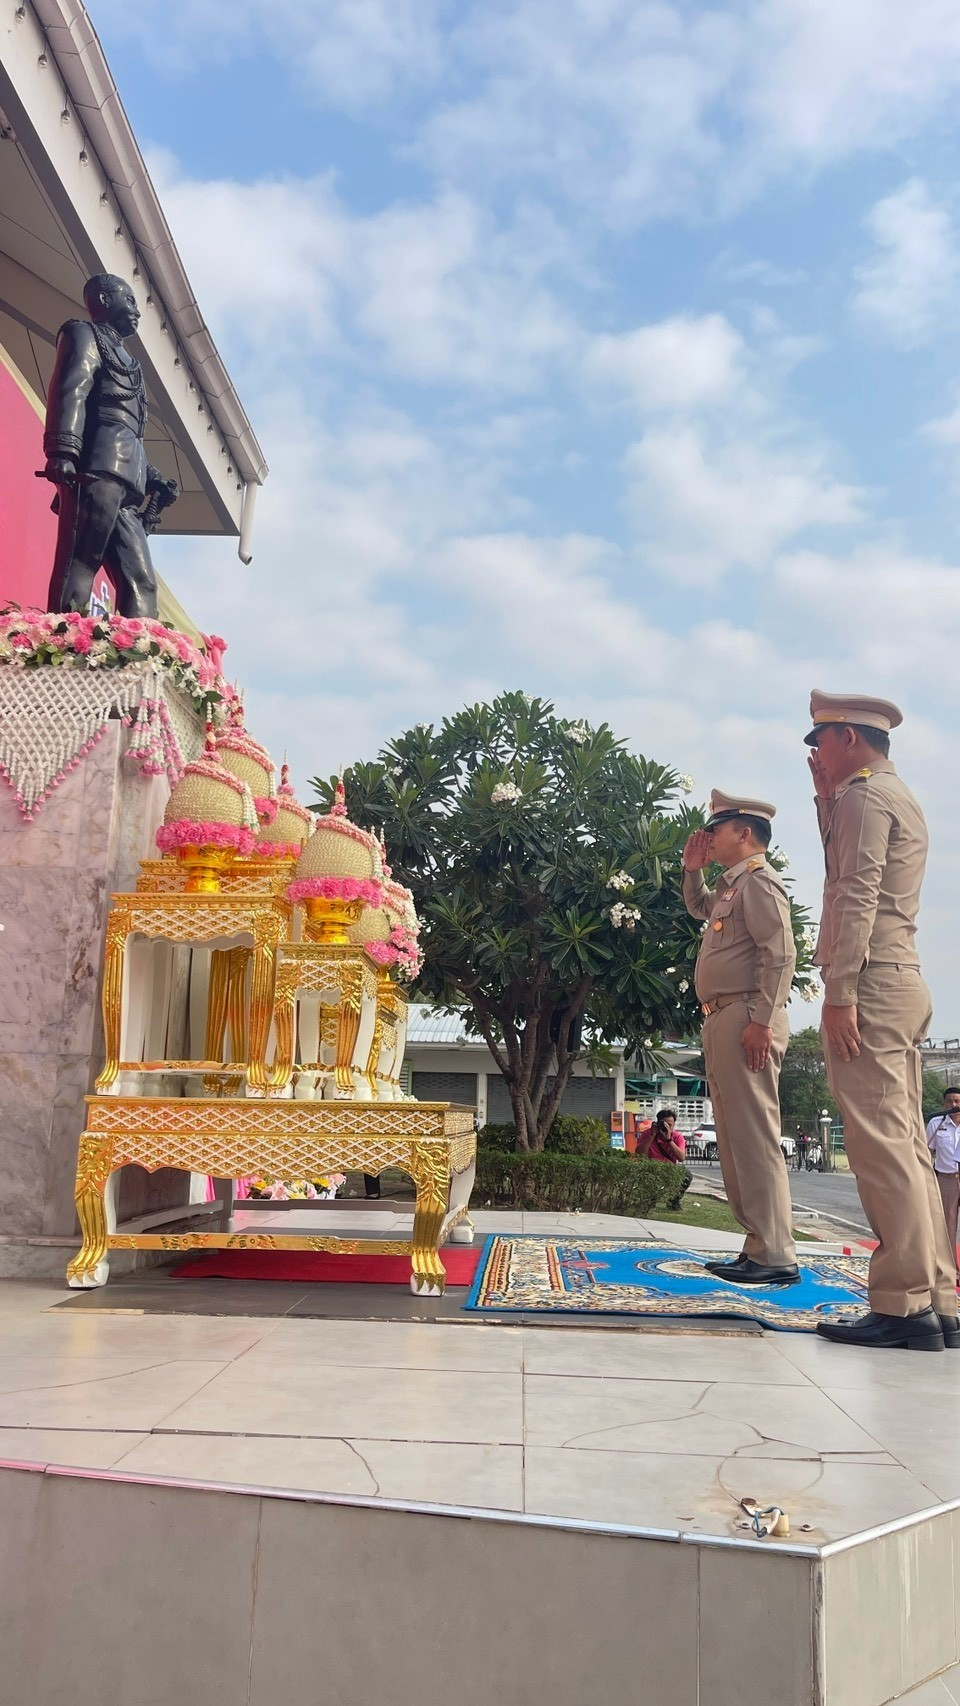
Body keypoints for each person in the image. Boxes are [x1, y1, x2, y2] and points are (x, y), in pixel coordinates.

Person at [804, 691, 958, 1351]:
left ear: (847, 737)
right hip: (898, 978)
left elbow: (856, 892)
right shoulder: (888, 794)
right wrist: (824, 801)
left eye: (820, 739)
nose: (815, 751)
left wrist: (840, 991)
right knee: (908, 1151)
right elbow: (848, 873)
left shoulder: (866, 797)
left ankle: (902, 1305)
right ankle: (937, 1300)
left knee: (881, 1150)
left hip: (870, 983)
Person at [682, 790, 798, 1285]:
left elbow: (781, 955)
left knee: (754, 1137)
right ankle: (758, 1247)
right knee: (733, 1138)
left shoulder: (760, 882)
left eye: (717, 830)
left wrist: (762, 1021)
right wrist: (692, 871)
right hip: (726, 1017)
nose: (709, 837)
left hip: (749, 1015)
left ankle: (776, 1254)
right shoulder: (733, 886)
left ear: (744, 833)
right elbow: (699, 908)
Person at [41, 273, 178, 618]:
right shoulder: (82, 333)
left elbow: (129, 426)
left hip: (127, 479)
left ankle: (139, 648)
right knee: (80, 562)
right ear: (104, 300)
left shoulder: (133, 364)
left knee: (141, 581)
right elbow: (71, 390)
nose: (136, 311)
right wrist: (62, 451)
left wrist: (151, 476)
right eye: (129, 300)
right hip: (94, 470)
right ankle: (61, 639)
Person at [925, 1087, 960, 1287]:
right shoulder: (937, 1124)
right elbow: (926, 1151)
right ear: (944, 1103)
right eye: (949, 1101)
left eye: (957, 1101)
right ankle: (950, 1270)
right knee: (948, 1226)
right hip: (946, 1179)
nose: (953, 1105)